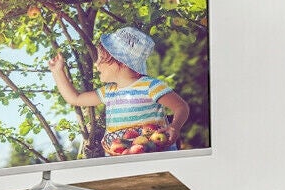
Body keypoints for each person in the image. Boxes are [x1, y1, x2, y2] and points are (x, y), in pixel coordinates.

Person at [50, 25, 189, 155]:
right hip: (122, 156)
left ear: (120, 61)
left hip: (154, 154)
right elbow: (75, 98)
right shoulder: (109, 92)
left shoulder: (150, 86)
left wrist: (174, 127)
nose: (96, 63)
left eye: (100, 59)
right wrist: (58, 72)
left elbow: (181, 106)